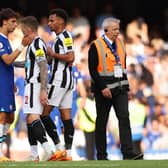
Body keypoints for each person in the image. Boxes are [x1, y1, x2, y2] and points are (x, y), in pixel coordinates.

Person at [88, 17, 144, 160]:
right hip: (104, 91)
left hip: (120, 89)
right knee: (102, 121)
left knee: (124, 117)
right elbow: (93, 70)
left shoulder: (121, 44)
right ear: (106, 30)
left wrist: (127, 87)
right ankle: (101, 155)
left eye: (118, 29)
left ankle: (128, 152)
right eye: (115, 29)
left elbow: (122, 68)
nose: (118, 32)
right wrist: (102, 88)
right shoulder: (95, 45)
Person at [19, 16, 58, 161]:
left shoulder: (36, 44)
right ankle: (34, 154)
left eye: (24, 32)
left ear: (29, 30)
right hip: (31, 85)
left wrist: (43, 89)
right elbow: (30, 64)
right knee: (29, 118)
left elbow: (42, 66)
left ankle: (48, 150)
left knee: (33, 116)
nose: (23, 35)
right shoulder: (33, 45)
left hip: (35, 85)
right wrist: (11, 63)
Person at [40, 8, 75, 161]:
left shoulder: (65, 36)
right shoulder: (59, 38)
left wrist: (53, 55)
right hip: (67, 81)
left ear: (61, 21)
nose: (49, 23)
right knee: (66, 117)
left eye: (52, 20)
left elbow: (71, 57)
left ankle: (59, 147)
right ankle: (68, 152)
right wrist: (49, 58)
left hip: (59, 80)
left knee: (43, 114)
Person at [0, 8, 29, 161]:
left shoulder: (6, 40)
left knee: (10, 118)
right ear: (4, 22)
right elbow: (7, 60)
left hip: (7, 84)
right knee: (3, 117)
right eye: (12, 21)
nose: (15, 25)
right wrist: (22, 45)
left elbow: (8, 64)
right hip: (1, 84)